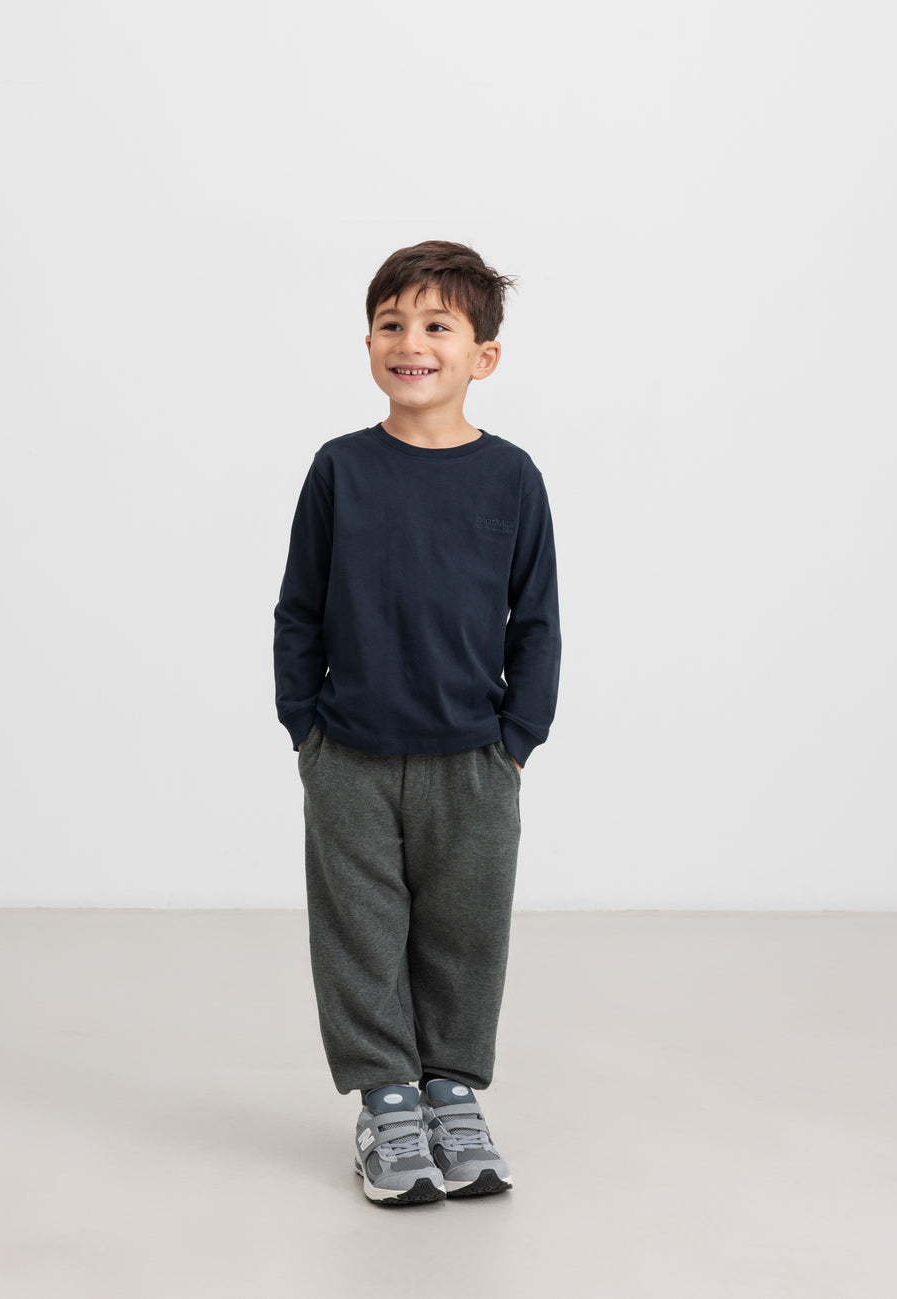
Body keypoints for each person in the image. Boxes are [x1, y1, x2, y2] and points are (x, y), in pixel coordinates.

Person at [273, 240, 561, 1206]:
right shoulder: (340, 469)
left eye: (438, 325)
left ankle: (451, 1094)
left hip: (474, 760)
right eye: (391, 323)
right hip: (349, 755)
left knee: (464, 935)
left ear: (483, 354)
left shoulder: (511, 477)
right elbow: (299, 610)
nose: (412, 342)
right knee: (359, 936)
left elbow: (536, 620)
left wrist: (516, 742)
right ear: (368, 343)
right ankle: (387, 1104)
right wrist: (305, 730)